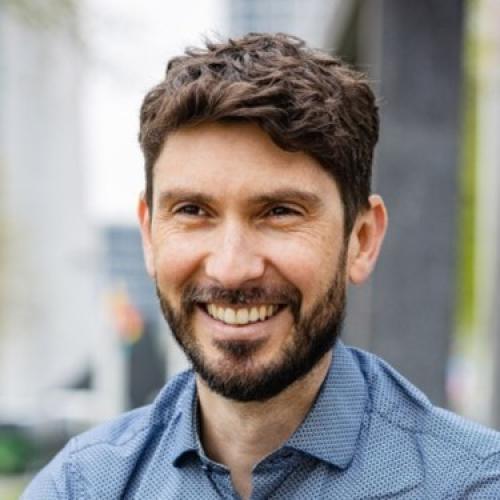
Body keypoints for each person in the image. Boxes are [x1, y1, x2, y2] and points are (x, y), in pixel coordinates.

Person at [23, 33, 500, 499]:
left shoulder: (472, 485)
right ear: (149, 234)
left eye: (280, 212)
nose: (231, 269)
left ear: (361, 240)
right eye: (192, 210)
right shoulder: (80, 486)